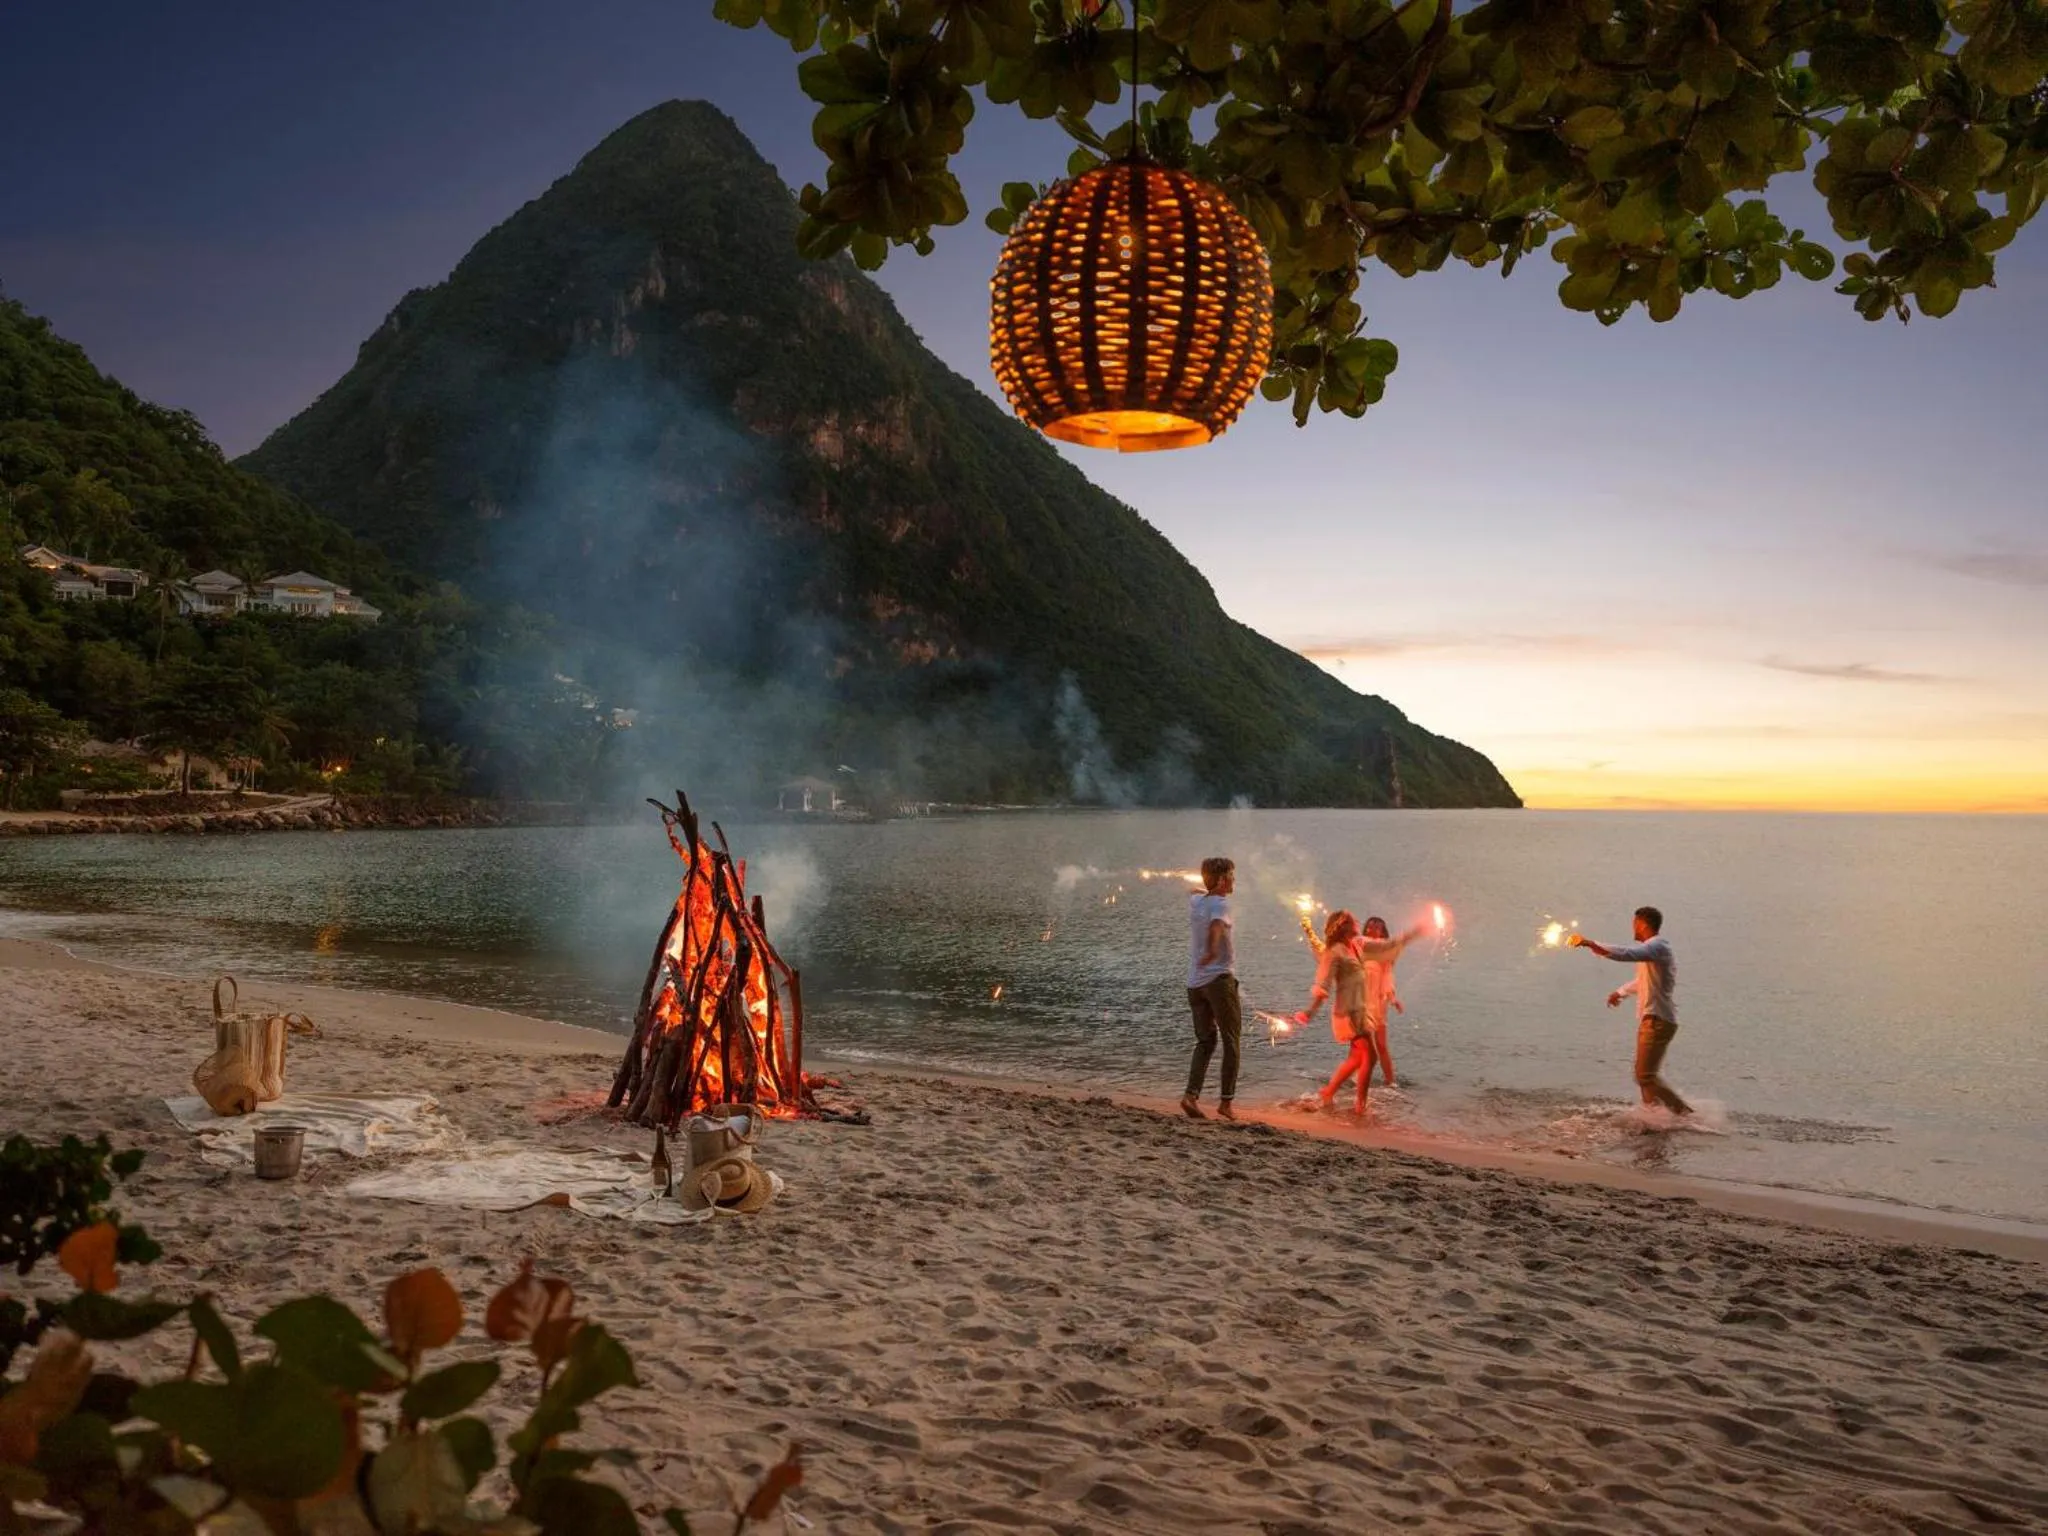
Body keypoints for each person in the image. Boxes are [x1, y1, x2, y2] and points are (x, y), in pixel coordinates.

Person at [1295, 911, 1423, 1117]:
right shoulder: (1336, 952)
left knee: (1357, 1057)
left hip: (1361, 1010)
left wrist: (1415, 932)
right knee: (1371, 1057)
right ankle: (1360, 1105)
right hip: (1348, 1013)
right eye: (1352, 921)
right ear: (1344, 927)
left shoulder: (1358, 946)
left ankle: (1328, 1091)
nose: (1358, 922)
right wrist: (1309, 1012)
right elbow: (1324, 984)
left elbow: (1387, 947)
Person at [1570, 906, 1692, 1117]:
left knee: (1645, 1076)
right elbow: (1643, 981)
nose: (1632, 927)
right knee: (1646, 1076)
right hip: (1654, 1019)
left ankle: (1686, 1114)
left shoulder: (1657, 946)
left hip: (1658, 1020)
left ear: (1642, 923)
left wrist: (1592, 943)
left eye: (1634, 923)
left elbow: (1628, 953)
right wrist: (1620, 992)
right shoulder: (1654, 950)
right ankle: (1652, 1117)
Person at [1183, 856, 1240, 1121]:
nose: (1233, 880)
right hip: (1218, 981)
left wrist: (1201, 887)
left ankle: (1190, 1097)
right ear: (1220, 880)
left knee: (1205, 1041)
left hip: (1195, 983)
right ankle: (1226, 1103)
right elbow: (1217, 925)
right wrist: (1211, 949)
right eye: (1230, 875)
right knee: (1231, 1040)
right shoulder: (1221, 904)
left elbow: (1193, 891)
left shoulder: (1197, 901)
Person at [1359, 915, 1405, 1090]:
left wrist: (1393, 999)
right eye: (1370, 926)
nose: (1373, 930)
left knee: (1381, 1044)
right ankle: (1359, 1079)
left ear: (1382, 932)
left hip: (1378, 1001)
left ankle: (1390, 1082)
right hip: (1361, 1000)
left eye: (1377, 928)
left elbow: (1387, 976)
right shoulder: (1361, 946)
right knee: (1363, 1045)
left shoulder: (1385, 954)